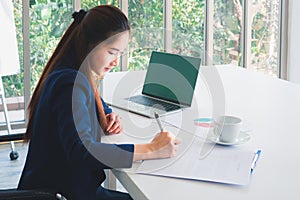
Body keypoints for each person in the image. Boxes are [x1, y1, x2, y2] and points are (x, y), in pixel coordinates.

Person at [17, 5, 181, 200]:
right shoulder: (71, 83)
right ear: (90, 44)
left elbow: (91, 102)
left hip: (62, 190)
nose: (115, 61)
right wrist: (152, 149)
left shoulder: (69, 71)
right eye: (112, 52)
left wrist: (106, 113)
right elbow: (82, 151)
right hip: (62, 194)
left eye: (120, 53)